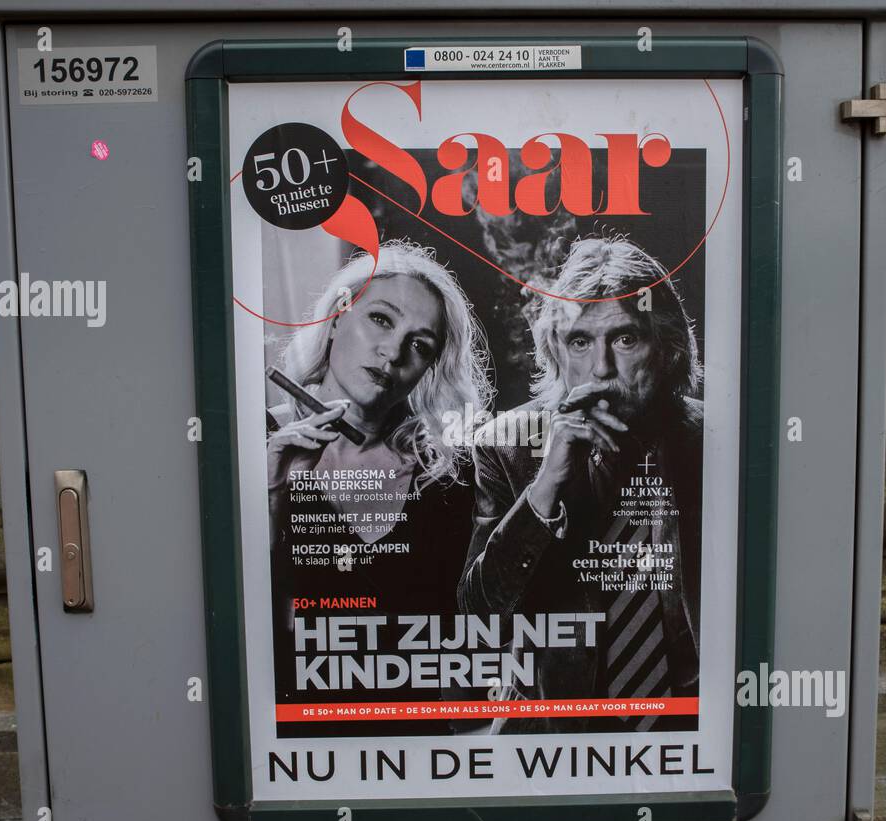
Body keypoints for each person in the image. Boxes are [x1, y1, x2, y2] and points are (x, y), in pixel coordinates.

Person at [458, 235, 704, 734]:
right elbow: (480, 612)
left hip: (688, 718)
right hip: (550, 722)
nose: (601, 369)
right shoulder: (504, 445)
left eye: (626, 339)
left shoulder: (714, 438)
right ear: (556, 350)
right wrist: (548, 480)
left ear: (666, 347)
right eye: (580, 341)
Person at [268, 240, 492, 737]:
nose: (393, 353)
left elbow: (470, 648)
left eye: (420, 345)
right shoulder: (254, 444)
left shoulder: (447, 477)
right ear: (336, 317)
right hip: (288, 745)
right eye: (382, 320)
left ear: (430, 369)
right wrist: (274, 490)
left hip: (415, 752)